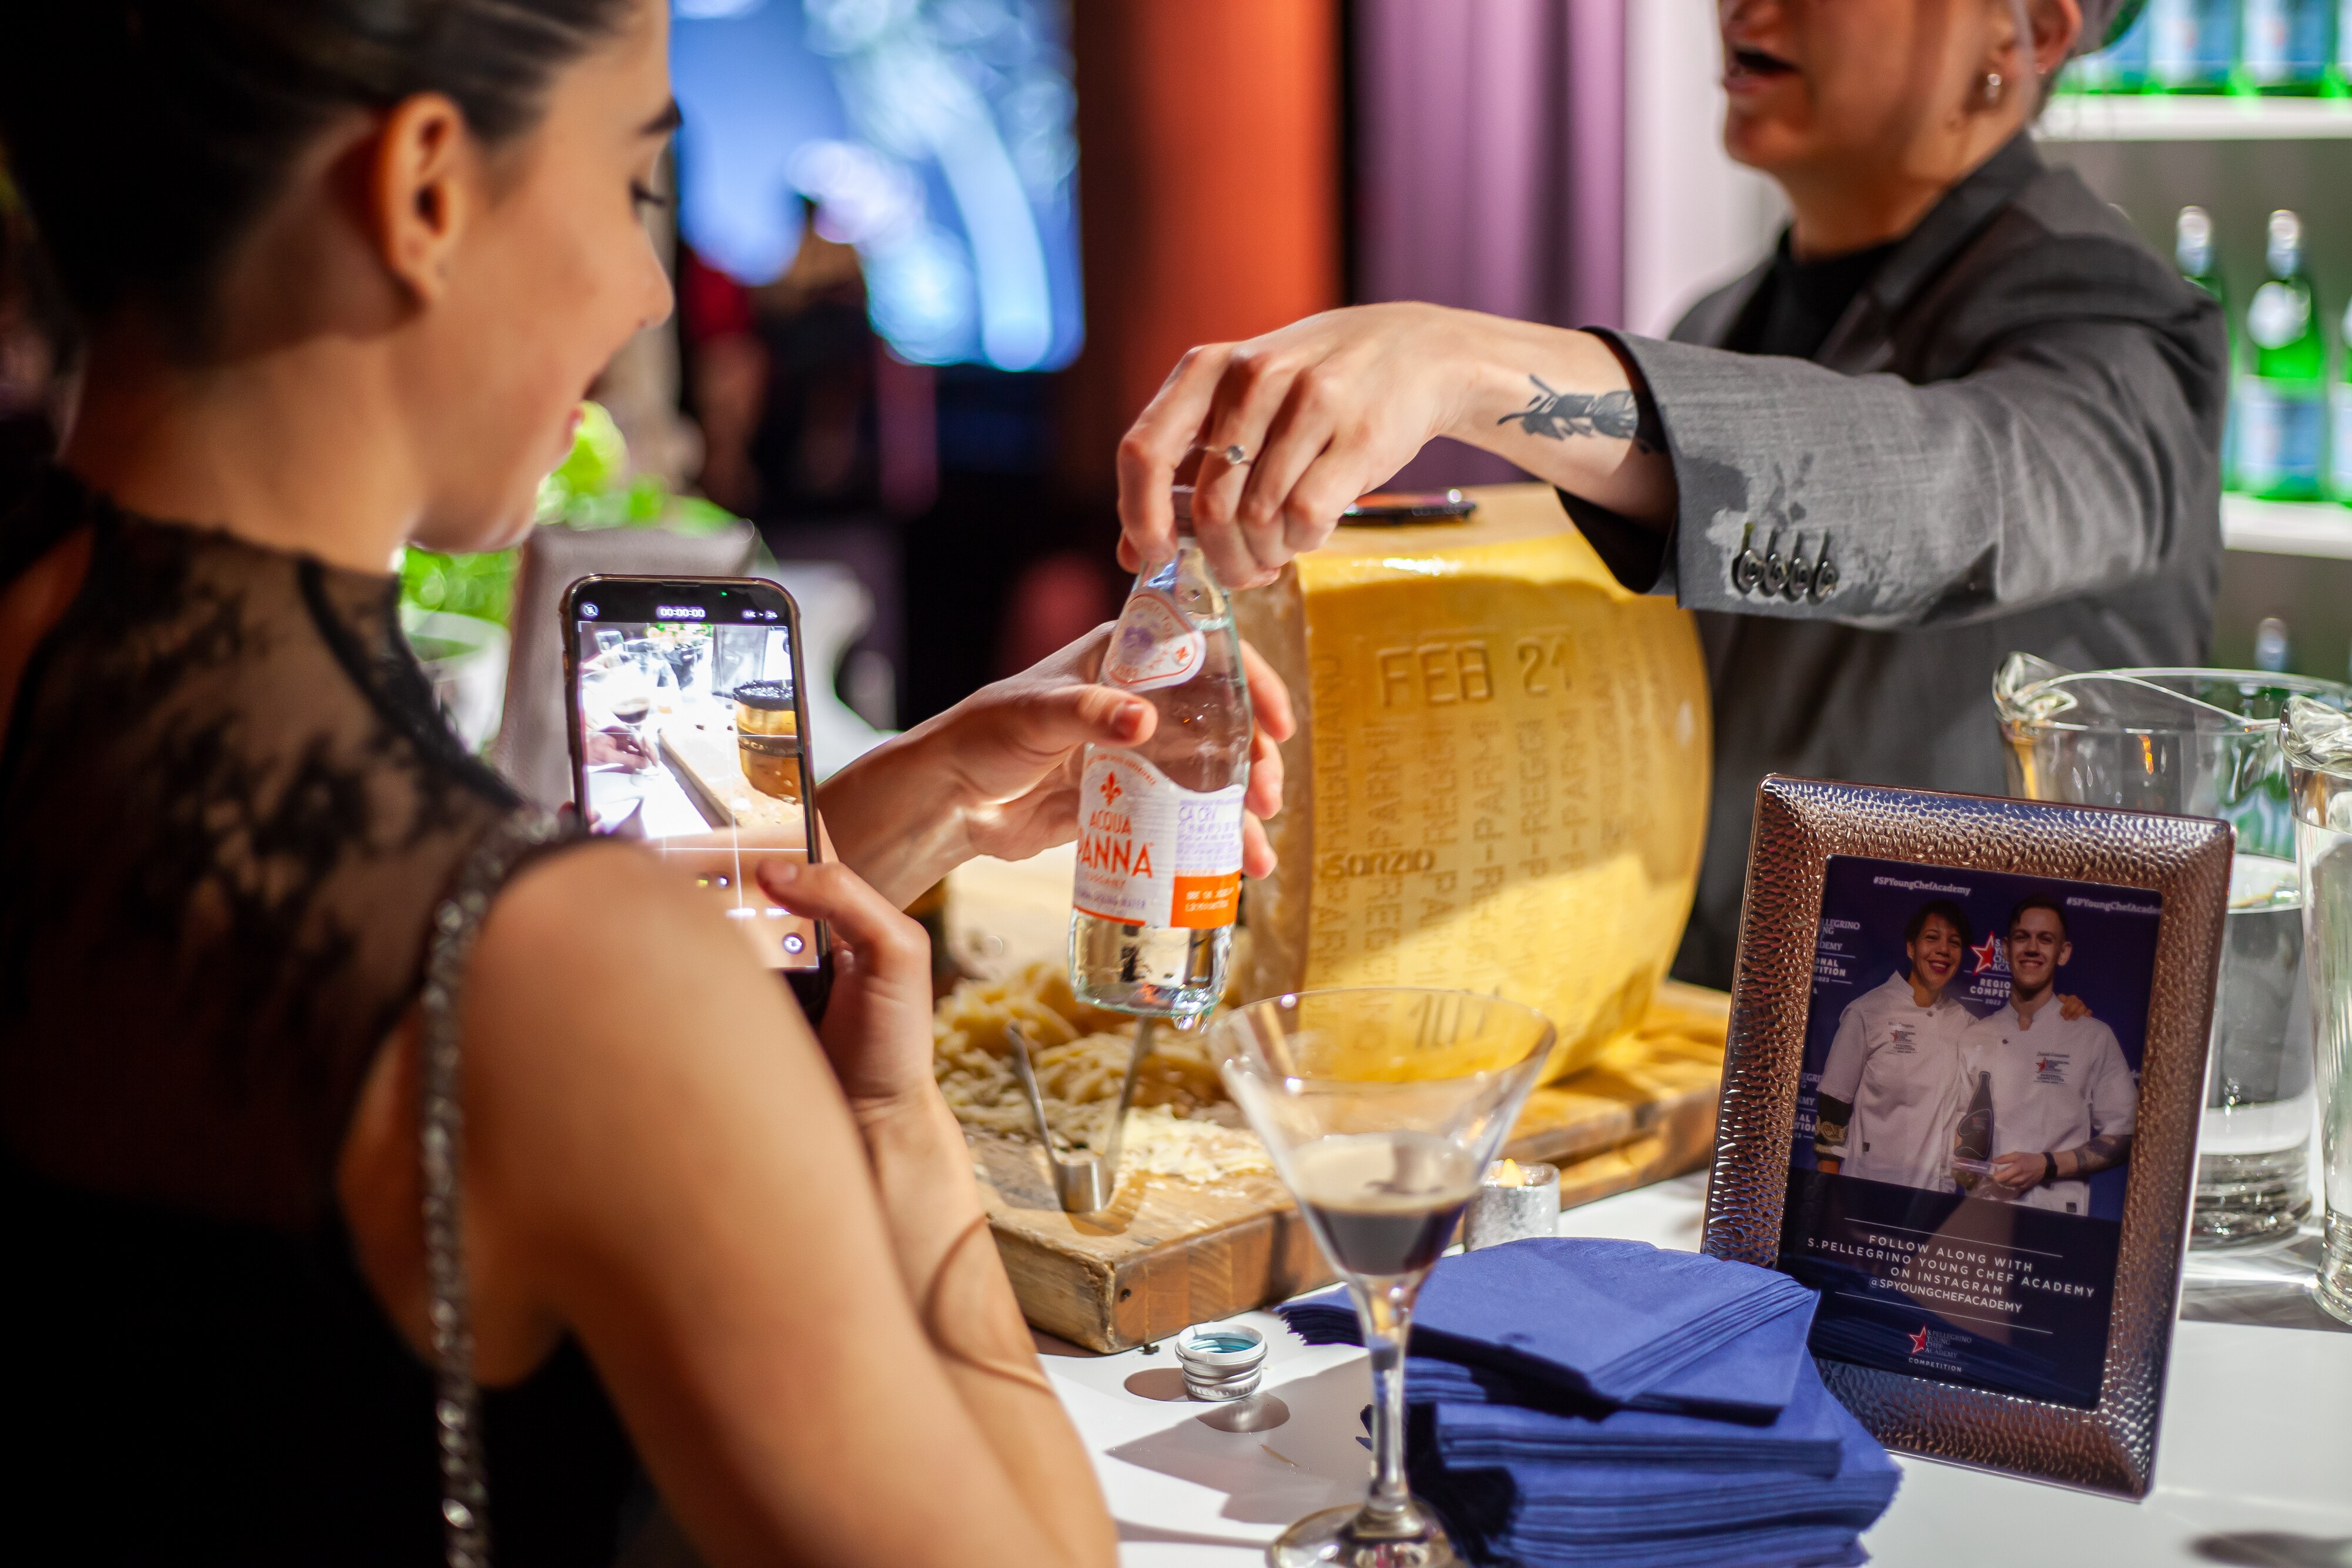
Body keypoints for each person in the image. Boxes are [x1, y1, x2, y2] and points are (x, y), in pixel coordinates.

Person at [0, 4, 1294, 1563]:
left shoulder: (41, 651)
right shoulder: (546, 970)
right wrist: (896, 1136)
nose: (640, 290)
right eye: (631, 186)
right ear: (423, 193)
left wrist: (914, 802)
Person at [1114, 0, 2221, 991]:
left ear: (2027, 32)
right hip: (1707, 1054)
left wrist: (1460, 360)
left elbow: (1940, 489)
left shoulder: (2121, 316)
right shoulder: (1719, 322)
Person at [1956, 897, 2138, 1215]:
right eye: (2023, 937)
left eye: (2045, 939)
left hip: (2058, 1217)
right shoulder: (1974, 1036)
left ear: (2063, 953)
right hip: (1983, 1213)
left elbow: (2124, 1136)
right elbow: (1955, 1134)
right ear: (2005, 948)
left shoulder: (2093, 1036)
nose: (2032, 948)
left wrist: (2046, 1165)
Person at [1815, 900, 1977, 1190]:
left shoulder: (1966, 1026)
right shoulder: (1868, 1012)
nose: (1943, 949)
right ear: (1911, 948)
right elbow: (1833, 1105)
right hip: (1866, 1186)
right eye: (1932, 938)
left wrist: (2064, 1011)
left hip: (1931, 1199)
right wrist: (1830, 1193)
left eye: (1954, 942)